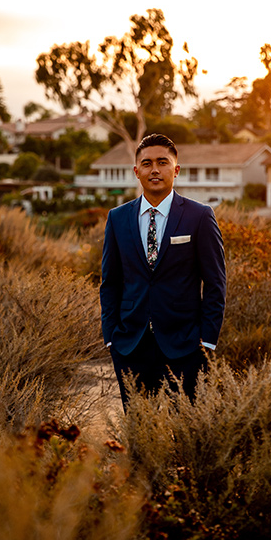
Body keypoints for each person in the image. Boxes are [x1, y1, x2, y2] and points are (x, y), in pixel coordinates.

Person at [100, 133, 226, 410]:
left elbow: (216, 283)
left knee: (186, 432)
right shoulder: (118, 218)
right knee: (139, 432)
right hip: (130, 346)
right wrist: (111, 336)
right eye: (146, 163)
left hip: (186, 346)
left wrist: (207, 341)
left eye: (162, 162)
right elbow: (110, 282)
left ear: (176, 169)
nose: (154, 169)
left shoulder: (199, 216)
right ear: (136, 171)